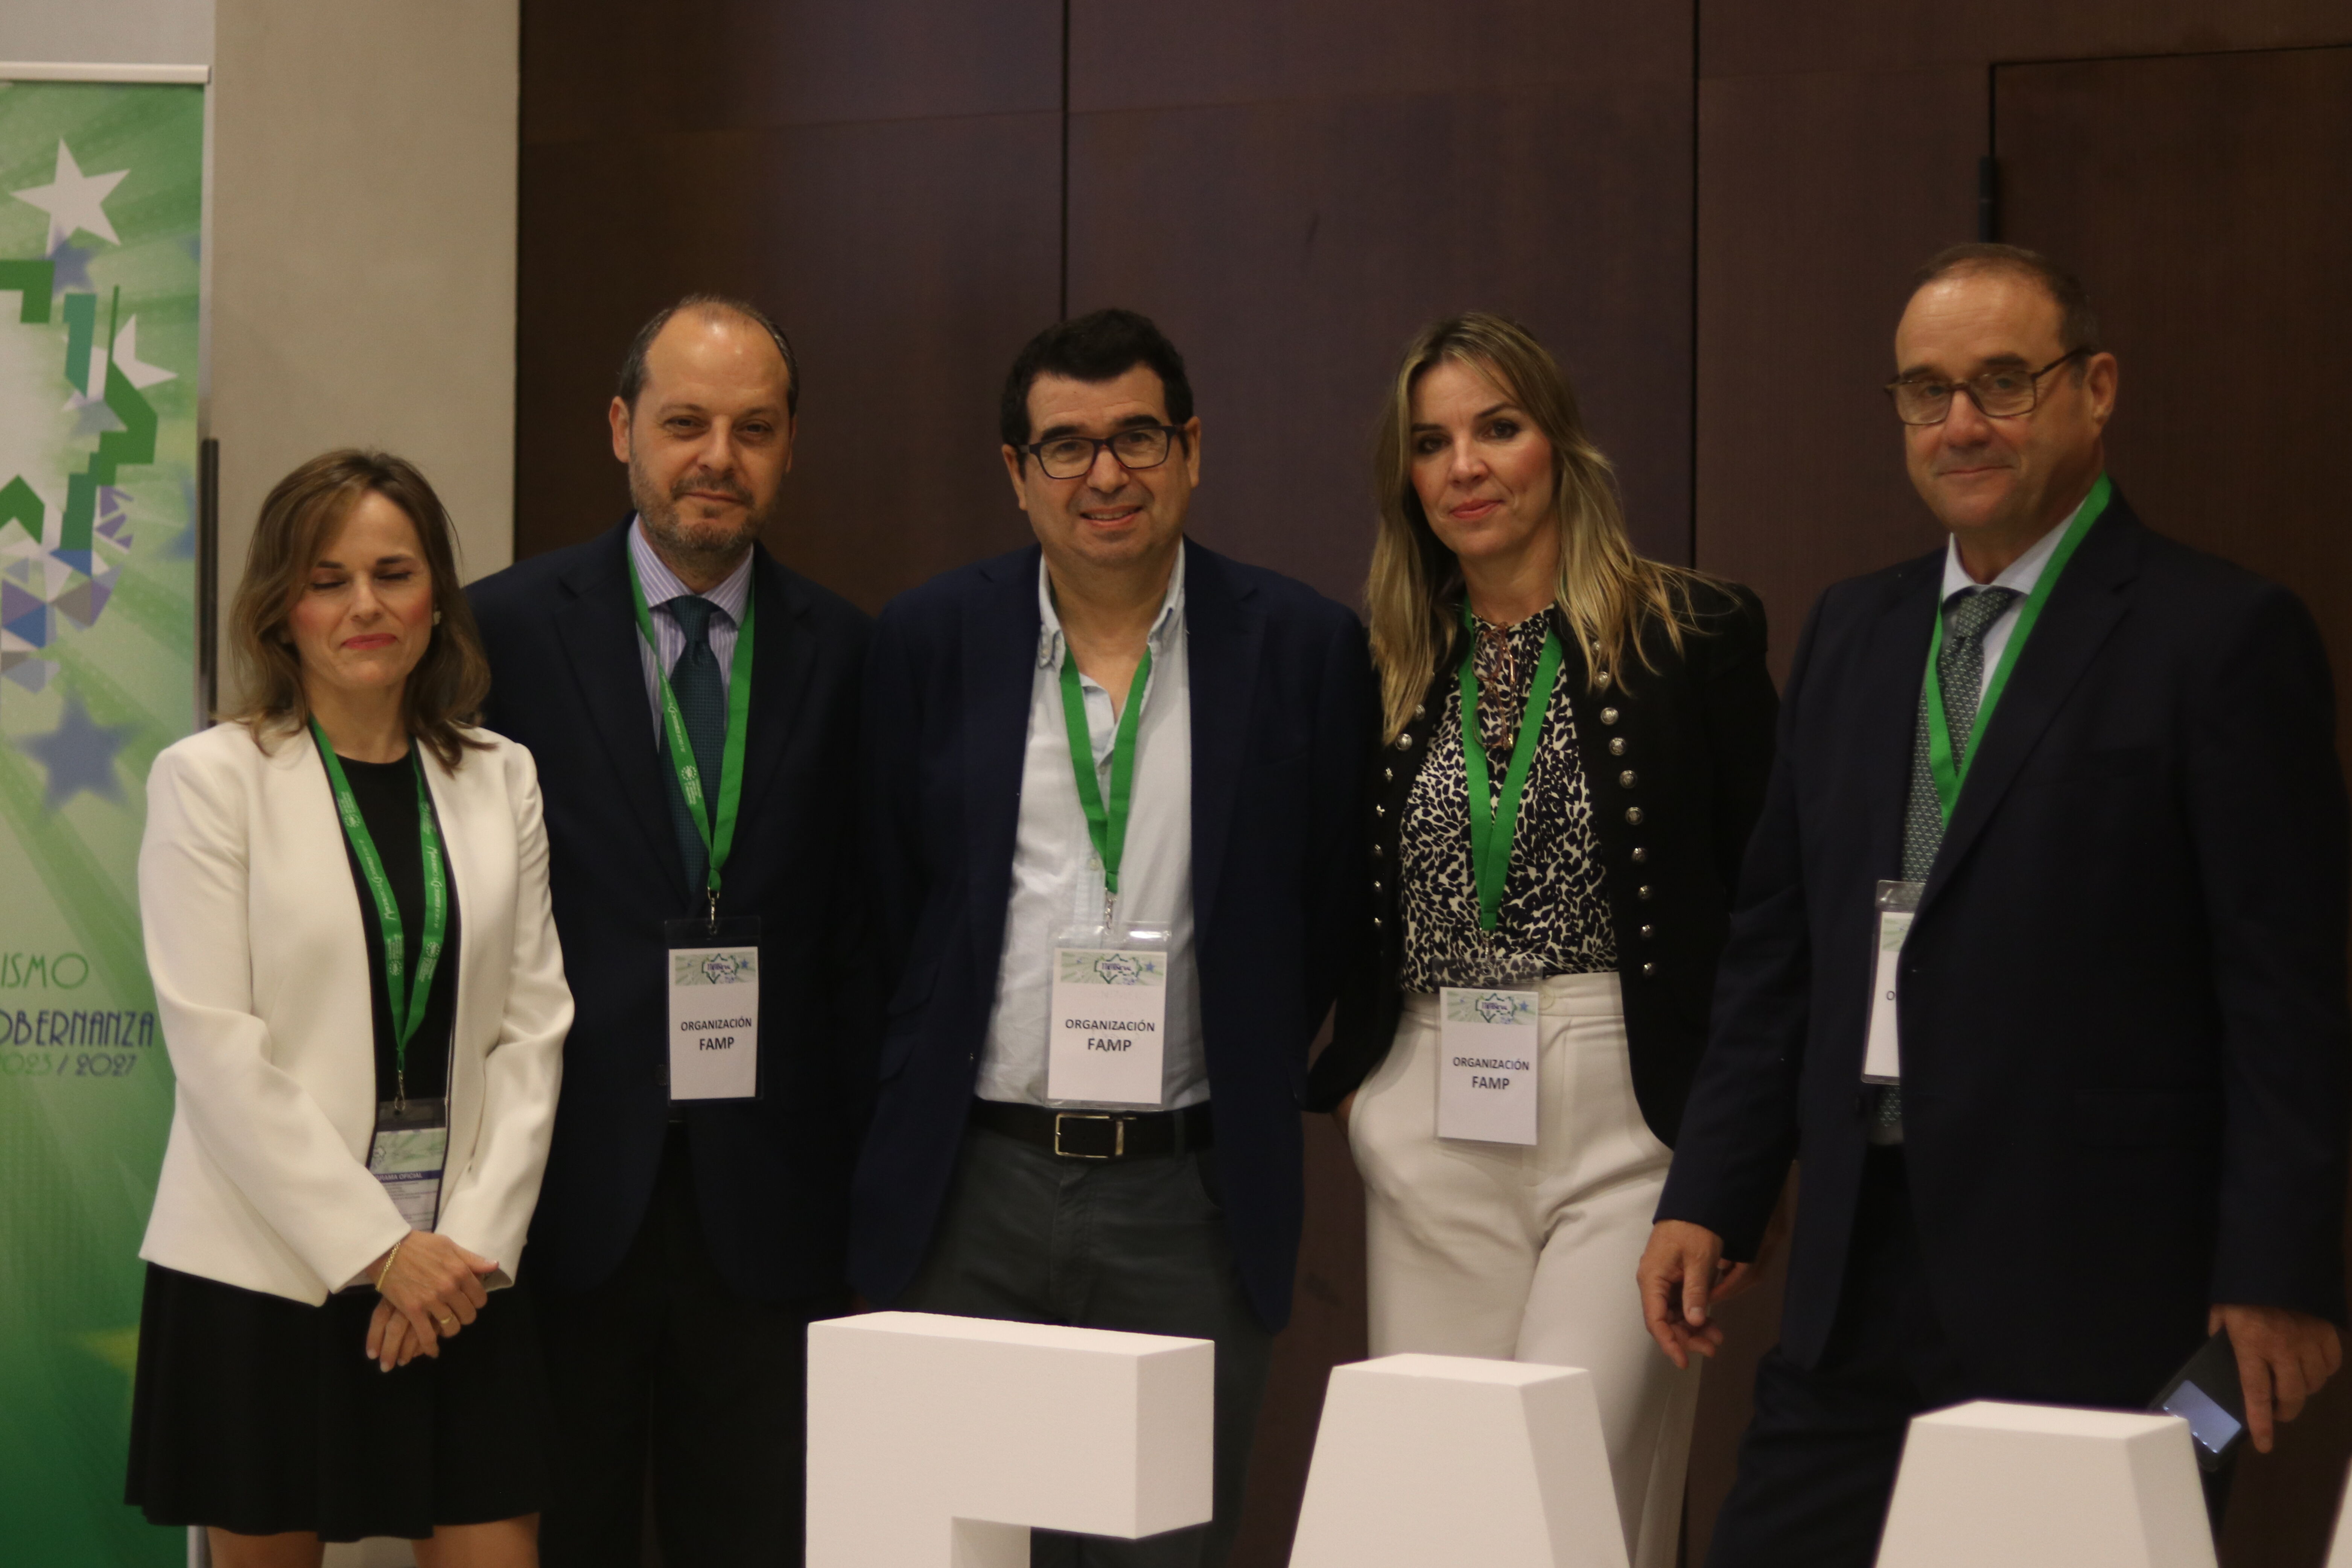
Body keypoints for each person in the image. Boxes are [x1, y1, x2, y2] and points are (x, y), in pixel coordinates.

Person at [1638, 244, 2350, 1566]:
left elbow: (2287, 991)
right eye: (1926, 391)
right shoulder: (1853, 631)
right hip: (1859, 1269)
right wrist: (1712, 1190)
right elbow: (1777, 949)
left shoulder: (2218, 636)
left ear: (2095, 387)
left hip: (2105, 1286)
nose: (1959, 423)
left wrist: (2279, 1271)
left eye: (2001, 382)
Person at [851, 307, 1374, 1566]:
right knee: (956, 1546)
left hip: (1187, 1198)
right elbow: (883, 905)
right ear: (1016, 471)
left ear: (1191, 449)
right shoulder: (929, 642)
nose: (1104, 475)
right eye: (1066, 446)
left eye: (1136, 438)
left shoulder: (1300, 647)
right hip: (973, 1190)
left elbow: (1331, 904)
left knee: (1164, 1548)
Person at [1300, 313, 1776, 1568]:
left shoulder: (1690, 633)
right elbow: (1332, 892)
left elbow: (1767, 911)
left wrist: (1735, 1169)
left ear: (1558, 443)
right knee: (1434, 1519)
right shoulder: (1384, 658)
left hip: (1630, 1124)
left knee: (1568, 1503)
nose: (1464, 466)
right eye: (1430, 443)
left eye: (1497, 429)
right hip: (1434, 1120)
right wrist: (1358, 1085)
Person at [466, 296, 872, 1566]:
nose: (717, 458)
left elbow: (866, 939)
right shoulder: (499, 634)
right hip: (563, 1199)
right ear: (619, 428)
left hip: (772, 1210)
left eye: (754, 428)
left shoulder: (854, 654)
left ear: (790, 445)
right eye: (685, 422)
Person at [126, 450, 572, 1566]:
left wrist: (461, 1253)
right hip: (265, 1269)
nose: (364, 606)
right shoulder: (210, 780)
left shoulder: (500, 777)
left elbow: (533, 1031)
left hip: (463, 1271)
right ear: (281, 609)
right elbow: (218, 1054)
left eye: (393, 574)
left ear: (437, 599)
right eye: (328, 581)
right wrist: (379, 1250)